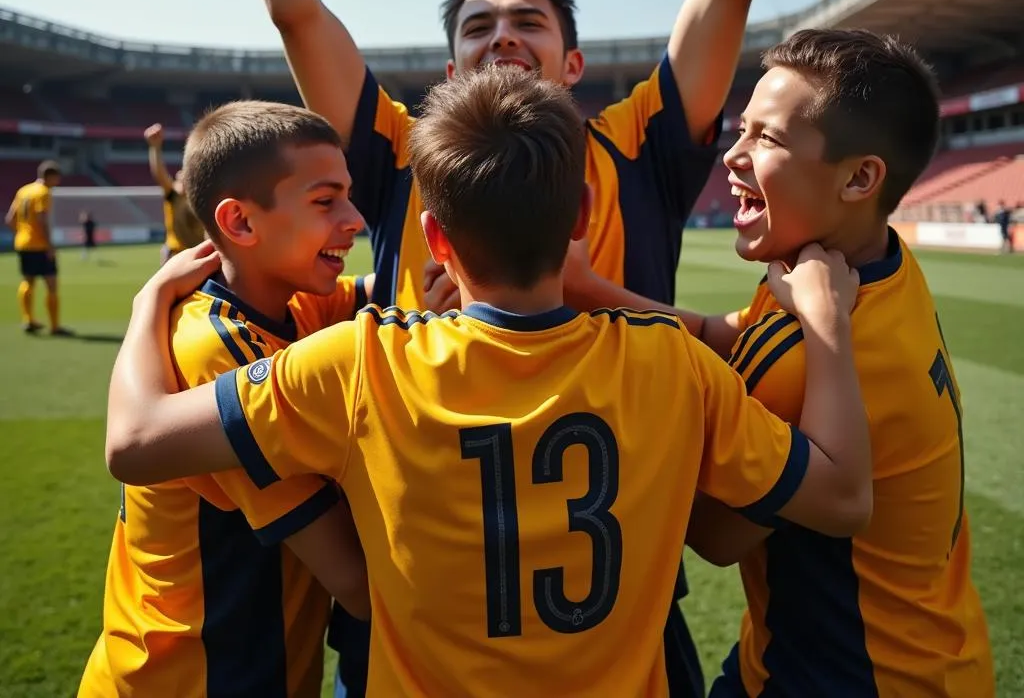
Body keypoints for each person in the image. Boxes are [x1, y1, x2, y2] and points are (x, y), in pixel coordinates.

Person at [188, 0, 764, 695]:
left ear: (573, 62)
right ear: (445, 73)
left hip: (617, 605)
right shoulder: (406, 154)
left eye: (527, 23)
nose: (501, 35)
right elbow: (298, 10)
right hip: (413, 604)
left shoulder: (639, 146)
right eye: (477, 26)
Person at [106, 66, 873, 698]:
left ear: (434, 237)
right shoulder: (672, 364)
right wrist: (829, 330)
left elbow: (136, 442)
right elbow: (842, 500)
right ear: (578, 217)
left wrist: (149, 306)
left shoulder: (357, 362)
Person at [567, 29, 996, 697]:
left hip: (846, 677)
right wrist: (592, 292)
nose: (732, 156)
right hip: (932, 650)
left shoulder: (807, 348)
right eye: (742, 131)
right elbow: (729, 331)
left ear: (860, 177)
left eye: (766, 139)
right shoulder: (866, 267)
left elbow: (713, 532)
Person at [79, 101, 373, 698]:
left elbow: (380, 292)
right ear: (240, 223)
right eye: (326, 201)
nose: (355, 219)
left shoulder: (292, 303)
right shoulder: (219, 349)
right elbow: (355, 582)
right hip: (191, 678)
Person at [5, 159, 71, 335]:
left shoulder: (23, 190)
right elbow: (42, 220)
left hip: (22, 243)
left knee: (28, 281)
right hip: (39, 245)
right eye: (57, 178)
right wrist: (49, 245)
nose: (58, 182)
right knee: (51, 284)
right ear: (50, 176)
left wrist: (22, 233)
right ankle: (55, 326)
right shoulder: (43, 192)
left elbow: (10, 219)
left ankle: (28, 320)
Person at [145, 122, 206, 262]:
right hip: (176, 255)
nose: (180, 175)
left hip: (198, 256)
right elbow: (159, 174)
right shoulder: (174, 196)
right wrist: (155, 147)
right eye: (178, 176)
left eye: (185, 174)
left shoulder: (201, 199)